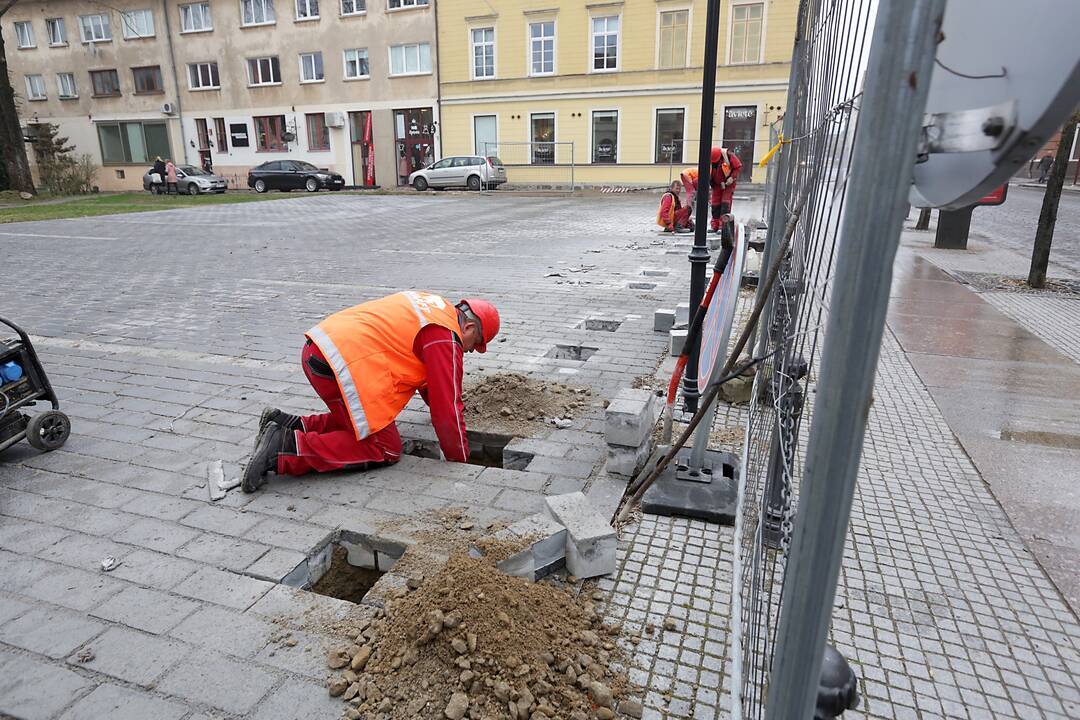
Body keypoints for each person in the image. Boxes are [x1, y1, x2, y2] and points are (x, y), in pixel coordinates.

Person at [243, 292, 501, 492]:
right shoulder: (446, 337)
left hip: (321, 350)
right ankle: (283, 447)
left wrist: (437, 406)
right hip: (342, 365)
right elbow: (447, 410)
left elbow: (432, 387)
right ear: (469, 329)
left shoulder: (435, 308)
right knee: (386, 447)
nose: (466, 352)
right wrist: (461, 462)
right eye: (472, 347)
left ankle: (290, 425)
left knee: (360, 420)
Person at [709, 146, 742, 234]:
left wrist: (732, 177)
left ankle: (722, 226)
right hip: (716, 184)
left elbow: (738, 166)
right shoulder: (710, 160)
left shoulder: (728, 155)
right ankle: (715, 226)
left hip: (728, 184)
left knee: (725, 204)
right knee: (715, 205)